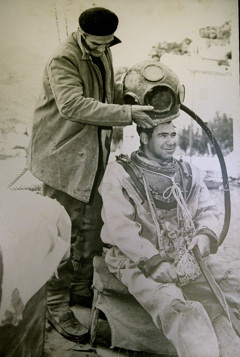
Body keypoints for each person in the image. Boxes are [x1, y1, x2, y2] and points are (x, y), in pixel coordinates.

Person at [27, 7, 156, 341]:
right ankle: (56, 305)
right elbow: (74, 105)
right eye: (95, 45)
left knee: (90, 227)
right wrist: (127, 114)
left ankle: (79, 288)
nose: (101, 50)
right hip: (63, 158)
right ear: (82, 34)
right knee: (63, 232)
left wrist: (135, 98)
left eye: (106, 44)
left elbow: (102, 93)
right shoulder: (63, 59)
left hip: (91, 155)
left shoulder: (103, 49)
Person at [99, 106, 240, 354]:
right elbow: (122, 229)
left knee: (233, 283)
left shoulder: (187, 172)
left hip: (186, 254)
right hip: (135, 259)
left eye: (173, 135)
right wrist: (153, 261)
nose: (170, 142)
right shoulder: (120, 174)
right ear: (144, 138)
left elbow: (208, 209)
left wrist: (205, 236)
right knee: (181, 309)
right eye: (163, 136)